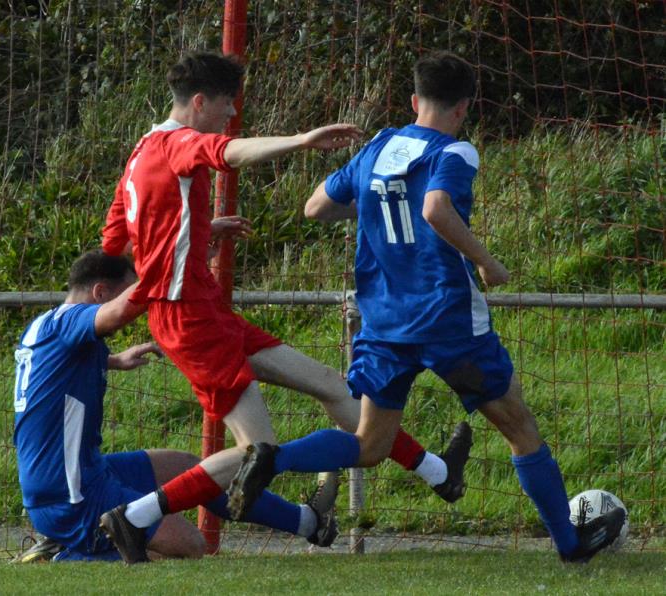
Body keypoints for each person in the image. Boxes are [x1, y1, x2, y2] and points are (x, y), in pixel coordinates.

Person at [230, 50, 625, 563]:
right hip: (447, 321)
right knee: (520, 428)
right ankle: (570, 545)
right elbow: (435, 208)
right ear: (464, 108)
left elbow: (316, 207)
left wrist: (376, 202)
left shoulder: (378, 145)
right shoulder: (455, 153)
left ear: (415, 100)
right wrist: (486, 261)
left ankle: (274, 458)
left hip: (384, 322)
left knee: (370, 445)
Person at [98, 51, 473, 564]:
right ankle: (134, 518)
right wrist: (301, 140)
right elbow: (230, 153)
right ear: (200, 102)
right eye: (227, 105)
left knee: (330, 384)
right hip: (189, 319)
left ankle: (437, 472)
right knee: (258, 453)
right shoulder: (178, 143)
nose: (231, 115)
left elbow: (119, 239)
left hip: (203, 309)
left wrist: (196, 234)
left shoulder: (141, 150)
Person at [13, 249, 342, 562]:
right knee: (189, 546)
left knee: (192, 468)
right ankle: (64, 554)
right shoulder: (74, 321)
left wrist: (113, 360)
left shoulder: (43, 326)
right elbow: (115, 313)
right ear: (100, 292)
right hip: (69, 495)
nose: (141, 306)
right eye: (129, 293)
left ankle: (308, 523)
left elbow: (52, 372)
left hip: (80, 474)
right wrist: (177, 262)